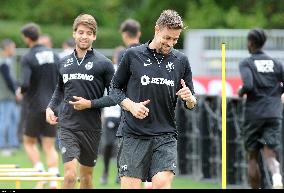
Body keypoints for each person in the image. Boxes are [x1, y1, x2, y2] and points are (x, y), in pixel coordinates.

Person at [109, 10, 197, 189]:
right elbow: (114, 89)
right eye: (167, 38)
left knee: (162, 184)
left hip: (165, 135)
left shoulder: (181, 61)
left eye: (175, 39)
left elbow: (191, 103)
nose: (170, 43)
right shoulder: (132, 55)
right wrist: (131, 106)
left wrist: (190, 98)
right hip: (133, 135)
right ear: (157, 29)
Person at [46, 13, 115, 189]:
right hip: (68, 125)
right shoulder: (63, 62)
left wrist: (90, 104)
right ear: (74, 34)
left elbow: (115, 97)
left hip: (91, 128)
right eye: (81, 32)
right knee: (69, 175)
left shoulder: (104, 64)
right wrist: (51, 108)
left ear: (94, 36)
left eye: (89, 33)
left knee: (86, 179)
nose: (84, 36)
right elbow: (60, 89)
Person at [238, 29, 284, 189]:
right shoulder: (276, 63)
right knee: (270, 152)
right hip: (274, 113)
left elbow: (248, 85)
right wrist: (278, 91)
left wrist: (240, 92)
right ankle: (277, 177)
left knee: (253, 156)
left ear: (250, 42)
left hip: (254, 114)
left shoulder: (247, 63)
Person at [19, 23, 60, 189]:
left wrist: (20, 91)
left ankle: (40, 171)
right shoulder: (54, 55)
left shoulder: (28, 57)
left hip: (34, 105)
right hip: (53, 105)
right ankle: (52, 182)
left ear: (27, 38)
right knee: (49, 146)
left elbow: (25, 84)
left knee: (29, 142)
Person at [100, 46, 125, 185]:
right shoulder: (110, 71)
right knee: (109, 144)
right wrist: (102, 112)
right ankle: (105, 171)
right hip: (110, 112)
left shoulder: (129, 71)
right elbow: (104, 92)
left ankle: (120, 173)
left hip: (124, 113)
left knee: (122, 146)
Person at [0, 39, 21, 155]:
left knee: (14, 120)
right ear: (7, 48)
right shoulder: (3, 61)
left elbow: (12, 80)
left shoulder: (8, 60)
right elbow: (8, 81)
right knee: (5, 121)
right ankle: (2, 144)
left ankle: (14, 143)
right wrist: (16, 92)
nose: (14, 50)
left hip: (10, 96)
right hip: (5, 96)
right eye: (13, 47)